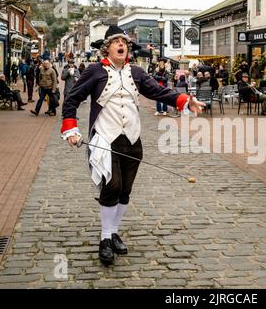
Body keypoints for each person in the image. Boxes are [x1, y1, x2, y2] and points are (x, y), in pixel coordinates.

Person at [60, 26, 205, 266]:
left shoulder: (136, 72)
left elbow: (158, 91)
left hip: (132, 139)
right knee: (112, 185)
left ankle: (114, 232)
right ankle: (105, 238)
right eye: (116, 41)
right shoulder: (95, 72)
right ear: (107, 47)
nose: (121, 44)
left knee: (125, 189)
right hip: (106, 138)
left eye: (124, 42)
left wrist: (185, 101)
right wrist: (70, 129)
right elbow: (72, 99)